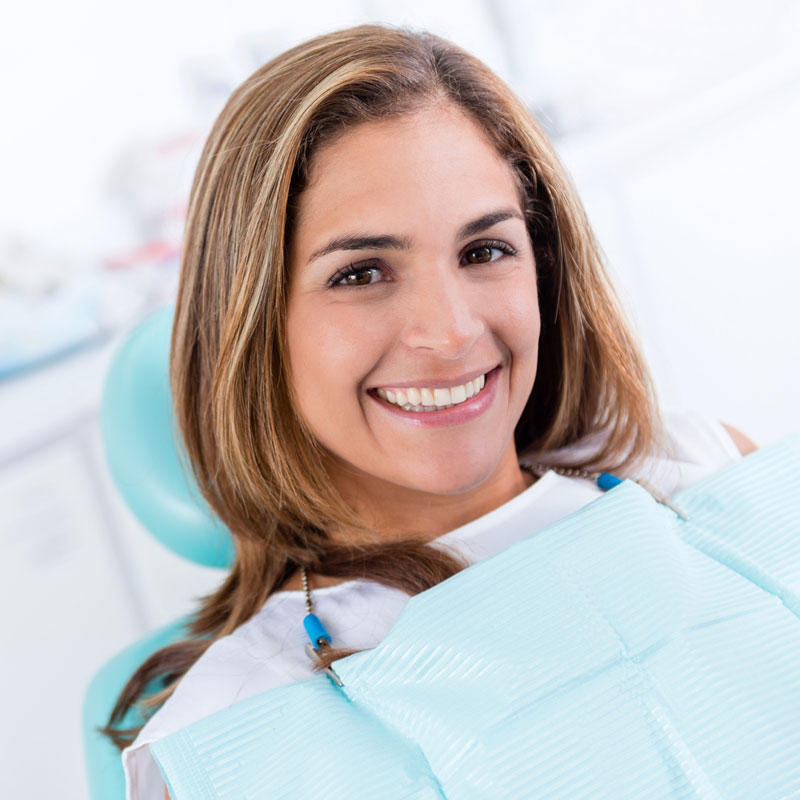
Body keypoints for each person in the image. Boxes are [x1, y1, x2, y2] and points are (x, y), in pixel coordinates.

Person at [102, 23, 757, 799]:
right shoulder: (237, 734)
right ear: (253, 326)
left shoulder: (705, 473)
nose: (449, 332)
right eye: (362, 273)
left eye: (484, 251)